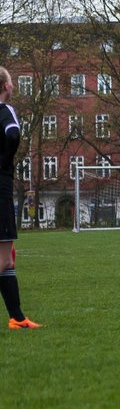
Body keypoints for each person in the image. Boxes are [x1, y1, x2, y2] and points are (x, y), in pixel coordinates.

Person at [0, 68, 41, 328]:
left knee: (8, 257)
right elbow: (13, 133)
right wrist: (6, 158)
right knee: (3, 259)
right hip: (1, 184)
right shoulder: (5, 109)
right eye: (12, 82)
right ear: (5, 85)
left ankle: (17, 317)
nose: (14, 86)